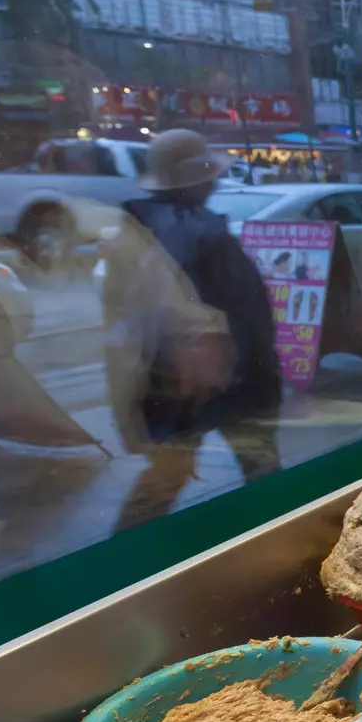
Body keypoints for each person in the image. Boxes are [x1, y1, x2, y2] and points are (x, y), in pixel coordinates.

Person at [106, 129, 282, 529]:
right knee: (253, 466)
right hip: (209, 381)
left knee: (172, 473)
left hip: (189, 382)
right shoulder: (182, 230)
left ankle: (127, 554)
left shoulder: (147, 228)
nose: (215, 181)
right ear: (197, 178)